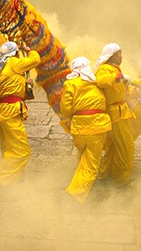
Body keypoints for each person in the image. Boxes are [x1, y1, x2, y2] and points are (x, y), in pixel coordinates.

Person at [60, 56, 112, 203]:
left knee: (83, 155)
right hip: (97, 126)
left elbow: (65, 108)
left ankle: (81, 179)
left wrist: (73, 115)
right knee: (91, 163)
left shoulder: (70, 84)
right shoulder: (96, 82)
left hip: (79, 127)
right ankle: (75, 193)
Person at [0, 41, 41, 185]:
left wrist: (27, 85)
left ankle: (14, 178)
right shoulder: (13, 62)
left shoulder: (3, 66)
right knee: (21, 151)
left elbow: (12, 88)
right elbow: (35, 60)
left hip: (5, 110)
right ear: (16, 53)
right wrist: (28, 50)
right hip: (10, 111)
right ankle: (2, 182)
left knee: (9, 149)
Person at [94, 43, 136, 185]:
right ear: (112, 56)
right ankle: (121, 179)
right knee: (126, 147)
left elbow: (120, 88)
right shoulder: (104, 69)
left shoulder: (113, 69)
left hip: (119, 111)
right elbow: (101, 80)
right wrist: (118, 77)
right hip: (116, 113)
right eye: (119, 54)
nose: (121, 57)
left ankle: (106, 174)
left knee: (112, 147)